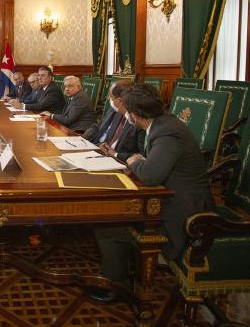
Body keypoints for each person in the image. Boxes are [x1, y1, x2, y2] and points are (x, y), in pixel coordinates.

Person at [88, 84, 214, 302]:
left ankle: (116, 284)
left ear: (134, 116)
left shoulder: (167, 133)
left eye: (126, 112)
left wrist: (133, 160)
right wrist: (138, 161)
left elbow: (151, 176)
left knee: (109, 225)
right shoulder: (162, 123)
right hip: (172, 196)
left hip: (187, 215)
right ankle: (123, 270)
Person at [83, 80, 145, 161]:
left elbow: (142, 156)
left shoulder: (139, 119)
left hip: (120, 162)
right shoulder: (116, 109)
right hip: (99, 151)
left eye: (110, 97)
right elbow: (99, 125)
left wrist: (115, 154)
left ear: (119, 101)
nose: (109, 99)